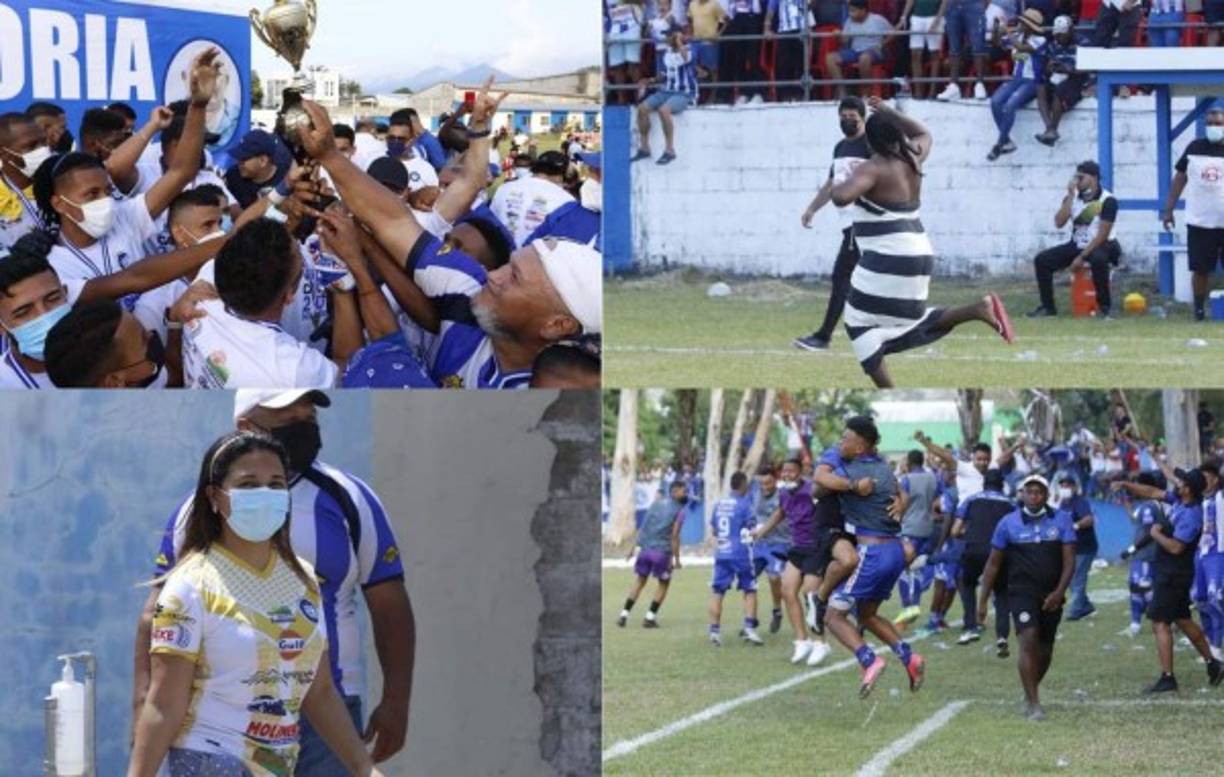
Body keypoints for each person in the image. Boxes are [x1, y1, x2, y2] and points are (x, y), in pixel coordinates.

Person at [135, 390, 415, 769]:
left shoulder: (346, 502)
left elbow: (388, 604)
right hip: (218, 723)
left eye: (309, 414)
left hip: (329, 709)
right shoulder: (194, 524)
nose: (303, 421)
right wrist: (143, 705)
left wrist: (396, 701)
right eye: (288, 415)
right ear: (246, 426)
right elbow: (157, 616)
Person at [296, 92, 602, 389]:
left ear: (557, 325)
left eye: (515, 278)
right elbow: (395, 222)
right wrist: (329, 156)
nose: (492, 275)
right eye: (508, 266)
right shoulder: (468, 289)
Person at [830, 98, 1014, 387]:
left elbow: (841, 197)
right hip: (919, 252)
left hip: (886, 257)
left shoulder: (872, 168)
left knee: (858, 325)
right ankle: (978, 309)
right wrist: (890, 112)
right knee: (907, 321)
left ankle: (888, 390)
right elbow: (925, 133)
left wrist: (841, 177)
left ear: (871, 141)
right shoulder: (912, 157)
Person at [180, 219, 359, 389]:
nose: (301, 248)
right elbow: (351, 371)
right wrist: (340, 279)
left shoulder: (203, 287)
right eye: (300, 256)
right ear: (289, 296)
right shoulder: (293, 370)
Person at [822, 416, 925, 698]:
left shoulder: (847, 467)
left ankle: (869, 660)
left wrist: (851, 486)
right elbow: (902, 492)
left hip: (872, 551)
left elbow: (819, 479)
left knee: (833, 616)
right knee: (867, 614)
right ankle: (909, 657)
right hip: (895, 551)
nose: (840, 442)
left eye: (845, 438)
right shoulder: (883, 467)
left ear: (859, 446)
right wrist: (902, 502)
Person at [977, 475, 1075, 720]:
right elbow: (993, 564)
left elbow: (1070, 562)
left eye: (1038, 492)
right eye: (1029, 491)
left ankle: (1029, 692)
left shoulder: (1062, 520)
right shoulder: (1007, 523)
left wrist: (1059, 592)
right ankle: (1034, 704)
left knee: (1045, 649)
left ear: (1046, 495)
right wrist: (983, 599)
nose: (1034, 496)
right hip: (1021, 592)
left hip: (1052, 592)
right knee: (1028, 640)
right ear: (1022, 494)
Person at [1119, 467, 1223, 692]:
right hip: (1170, 573)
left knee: (1159, 622)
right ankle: (1213, 663)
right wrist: (1126, 485)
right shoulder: (1180, 502)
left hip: (1174, 575)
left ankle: (1168, 677)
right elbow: (1152, 492)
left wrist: (1156, 534)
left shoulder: (1192, 514)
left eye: (1182, 482)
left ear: (1189, 489)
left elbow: (1176, 547)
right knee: (1182, 619)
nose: (1177, 484)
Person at [795, 97, 871, 352]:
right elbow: (831, 184)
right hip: (850, 224)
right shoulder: (840, 148)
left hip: (863, 221)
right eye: (843, 117)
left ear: (863, 118)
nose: (847, 121)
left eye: (853, 118)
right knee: (857, 279)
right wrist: (812, 208)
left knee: (842, 277)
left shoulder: (871, 145)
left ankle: (824, 336)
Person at [1027, 160, 1121, 319]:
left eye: (1081, 178)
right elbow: (1059, 222)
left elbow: (1103, 234)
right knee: (1042, 260)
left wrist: (1082, 257)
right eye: (1076, 177)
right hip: (1078, 244)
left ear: (1094, 178)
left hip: (1103, 244)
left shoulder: (1107, 200)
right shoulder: (1074, 198)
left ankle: (1105, 308)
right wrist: (1070, 196)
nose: (1077, 181)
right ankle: (1048, 307)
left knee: (1098, 260)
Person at [1162, 105, 1224, 322]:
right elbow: (1179, 178)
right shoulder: (1194, 148)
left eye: (1218, 124)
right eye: (1210, 124)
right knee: (1200, 269)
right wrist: (1169, 209)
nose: (1214, 127)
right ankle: (1198, 310)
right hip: (1200, 220)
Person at [954, 469, 1015, 655]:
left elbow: (955, 530)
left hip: (974, 550)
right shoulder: (1010, 504)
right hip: (999, 552)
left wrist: (970, 534)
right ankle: (1002, 637)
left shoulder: (971, 500)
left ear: (984, 483)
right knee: (1001, 592)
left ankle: (970, 626)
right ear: (1002, 484)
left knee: (967, 583)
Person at [43, 298, 172, 387]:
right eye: (143, 340)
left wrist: (174, 323)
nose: (151, 335)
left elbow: (170, 379)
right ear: (114, 382)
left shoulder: (136, 379)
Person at [619, 480, 688, 627]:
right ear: (674, 492)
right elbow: (675, 536)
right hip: (661, 553)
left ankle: (623, 615)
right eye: (684, 491)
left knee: (639, 581)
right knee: (664, 584)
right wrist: (676, 559)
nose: (686, 494)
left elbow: (643, 527)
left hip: (645, 552)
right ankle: (649, 618)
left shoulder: (655, 504)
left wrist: (633, 549)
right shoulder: (680, 511)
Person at [708, 472, 765, 646]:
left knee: (717, 591)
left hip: (722, 552)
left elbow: (714, 530)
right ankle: (749, 629)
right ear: (743, 484)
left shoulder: (719, 504)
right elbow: (752, 528)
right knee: (750, 589)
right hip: (741, 553)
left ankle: (714, 632)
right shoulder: (744, 505)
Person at [631, 28, 698, 165]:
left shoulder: (690, 48)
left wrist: (679, 42)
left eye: (670, 35)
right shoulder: (667, 53)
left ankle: (670, 150)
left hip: (684, 93)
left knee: (664, 110)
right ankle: (644, 147)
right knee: (642, 108)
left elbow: (686, 59)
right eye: (667, 36)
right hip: (666, 91)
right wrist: (650, 80)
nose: (667, 39)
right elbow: (664, 74)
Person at [986, 10, 1047, 162]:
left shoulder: (1040, 40)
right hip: (1016, 79)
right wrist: (996, 29)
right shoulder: (1017, 36)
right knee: (995, 101)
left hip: (1033, 81)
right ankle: (1006, 141)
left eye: (1023, 22)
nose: (1020, 24)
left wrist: (1007, 31)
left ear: (1029, 26)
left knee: (1010, 105)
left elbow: (1022, 47)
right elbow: (997, 43)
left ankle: (1000, 144)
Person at [894, 450, 940, 627]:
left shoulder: (906, 480)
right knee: (918, 568)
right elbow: (938, 501)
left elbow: (901, 503)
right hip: (927, 528)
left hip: (910, 528)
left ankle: (908, 606)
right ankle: (915, 604)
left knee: (902, 568)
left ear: (909, 462)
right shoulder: (933, 478)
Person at [1117, 472, 1167, 637]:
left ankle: (1161, 621)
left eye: (1136, 485)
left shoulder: (1149, 507)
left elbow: (1150, 534)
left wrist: (1131, 550)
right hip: (1143, 556)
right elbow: (1135, 518)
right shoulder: (1146, 505)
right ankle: (1136, 624)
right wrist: (1126, 503)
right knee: (1136, 587)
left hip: (1146, 555)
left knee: (1143, 588)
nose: (1134, 489)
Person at [490, 150, 574, 247]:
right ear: (561, 174)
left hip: (499, 252)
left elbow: (490, 224)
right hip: (536, 254)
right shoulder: (566, 200)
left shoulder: (504, 188)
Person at [525, 151, 601, 250]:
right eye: (591, 170)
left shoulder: (566, 205)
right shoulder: (567, 210)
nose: (590, 179)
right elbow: (527, 250)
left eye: (598, 172)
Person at [0, 112, 52, 251]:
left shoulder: (60, 186)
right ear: (3, 153)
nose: (43, 150)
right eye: (31, 146)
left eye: (44, 142)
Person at [825, 0, 894, 99]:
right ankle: (842, 90)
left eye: (853, 11)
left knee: (864, 58)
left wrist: (882, 44)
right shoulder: (849, 21)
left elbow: (893, 33)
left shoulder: (877, 19)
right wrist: (838, 36)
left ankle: (866, 92)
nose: (850, 14)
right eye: (850, 11)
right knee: (830, 58)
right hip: (855, 51)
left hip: (873, 51)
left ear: (863, 10)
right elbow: (845, 41)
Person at [1034, 15, 1085, 147]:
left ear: (1070, 31)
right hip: (1057, 77)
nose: (1059, 37)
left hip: (1076, 78)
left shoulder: (1083, 43)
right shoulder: (1053, 44)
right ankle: (1049, 129)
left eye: (1062, 34)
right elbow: (1047, 66)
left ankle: (1052, 130)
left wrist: (1068, 69)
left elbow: (1088, 68)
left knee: (1060, 91)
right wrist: (1050, 67)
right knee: (1040, 87)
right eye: (1057, 34)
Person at [1056, 474, 1098, 620]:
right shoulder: (1063, 503)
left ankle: (1075, 611)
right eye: (1062, 486)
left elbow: (1089, 519)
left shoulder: (1079, 502)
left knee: (1078, 578)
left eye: (1067, 485)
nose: (1064, 488)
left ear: (1074, 487)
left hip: (1085, 547)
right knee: (1070, 579)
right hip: (1071, 548)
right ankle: (1085, 606)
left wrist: (1075, 525)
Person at [752, 467, 789, 634]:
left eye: (768, 483)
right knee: (748, 579)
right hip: (760, 544)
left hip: (780, 543)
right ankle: (750, 620)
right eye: (762, 484)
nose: (765, 487)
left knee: (774, 578)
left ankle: (777, 610)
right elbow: (752, 517)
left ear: (776, 480)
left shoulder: (784, 496)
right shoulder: (755, 495)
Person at [936, 0, 990, 101]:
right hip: (952, 5)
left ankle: (979, 84)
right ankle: (953, 85)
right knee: (954, 47)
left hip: (974, 5)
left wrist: (981, 5)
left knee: (977, 45)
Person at [224, 130, 293, 209]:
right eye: (238, 157)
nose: (239, 163)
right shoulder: (233, 177)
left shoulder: (287, 177)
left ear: (263, 161)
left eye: (243, 158)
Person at [764, 0, 813, 102]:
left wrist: (810, 28)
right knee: (783, 65)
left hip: (801, 32)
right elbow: (770, 11)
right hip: (784, 31)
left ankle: (801, 95)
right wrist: (767, 29)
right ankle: (784, 96)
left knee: (801, 64)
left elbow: (808, 9)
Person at [899, 0, 947, 100]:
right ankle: (918, 93)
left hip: (934, 16)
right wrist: (904, 15)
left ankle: (932, 92)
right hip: (917, 17)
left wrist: (938, 19)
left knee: (934, 54)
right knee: (915, 54)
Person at [721, 0, 766, 105]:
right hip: (735, 19)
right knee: (738, 58)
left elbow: (757, 8)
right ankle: (743, 92)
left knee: (754, 57)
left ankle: (758, 92)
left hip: (752, 18)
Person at [607, 0, 646, 107]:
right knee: (617, 66)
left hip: (631, 23)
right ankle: (621, 100)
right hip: (614, 26)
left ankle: (638, 98)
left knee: (633, 65)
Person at [689, 0, 728, 89]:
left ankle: (713, 95)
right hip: (696, 40)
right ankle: (696, 92)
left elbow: (726, 20)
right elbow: (690, 20)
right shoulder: (692, 4)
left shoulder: (714, 4)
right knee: (690, 61)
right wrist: (691, 34)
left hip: (709, 42)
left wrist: (718, 35)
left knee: (713, 70)